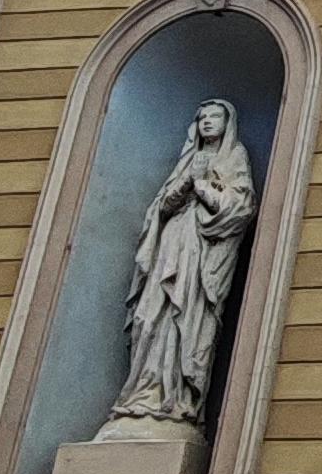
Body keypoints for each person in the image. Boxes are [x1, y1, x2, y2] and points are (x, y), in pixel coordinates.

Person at [98, 99, 259, 433]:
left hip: (200, 254)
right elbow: (164, 205)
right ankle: (142, 395)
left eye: (215, 116)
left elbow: (239, 208)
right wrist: (187, 181)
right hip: (171, 243)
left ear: (227, 123)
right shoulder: (187, 159)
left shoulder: (234, 157)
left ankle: (177, 400)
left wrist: (202, 186)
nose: (207, 122)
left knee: (185, 319)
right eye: (202, 117)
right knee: (149, 318)